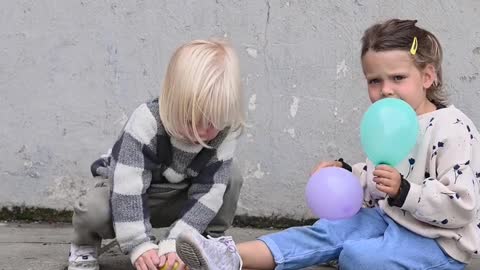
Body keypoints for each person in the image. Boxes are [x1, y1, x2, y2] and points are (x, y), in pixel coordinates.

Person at [175, 19, 480, 270]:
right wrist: (346, 174)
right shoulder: (387, 120)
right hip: (389, 221)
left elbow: (462, 205)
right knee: (324, 231)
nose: (386, 90)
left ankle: (351, 253)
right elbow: (378, 181)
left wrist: (404, 191)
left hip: (438, 242)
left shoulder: (451, 128)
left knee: (356, 257)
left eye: (398, 77)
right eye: (374, 80)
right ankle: (227, 257)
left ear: (428, 76)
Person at [67, 39, 245, 270]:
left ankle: (207, 241)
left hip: (180, 196)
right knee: (93, 209)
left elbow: (209, 194)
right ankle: (84, 246)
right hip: (128, 193)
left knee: (230, 176)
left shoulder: (225, 129)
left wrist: (177, 242)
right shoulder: (146, 122)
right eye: (191, 121)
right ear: (172, 102)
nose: (201, 133)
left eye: (211, 124)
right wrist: (139, 244)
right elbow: (128, 188)